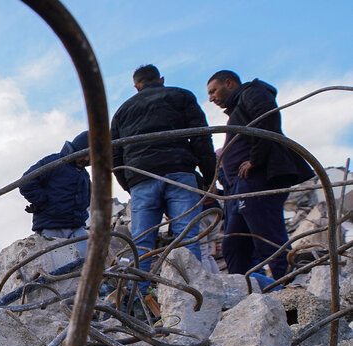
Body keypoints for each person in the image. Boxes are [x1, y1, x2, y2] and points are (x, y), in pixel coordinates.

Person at [111, 64, 216, 294]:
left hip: (141, 180)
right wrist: (209, 179)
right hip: (179, 173)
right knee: (187, 238)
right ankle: (190, 297)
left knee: (141, 244)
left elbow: (114, 156)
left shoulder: (122, 111)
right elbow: (201, 138)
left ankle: (137, 300)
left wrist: (130, 185)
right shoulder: (181, 96)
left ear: (136, 86)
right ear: (161, 79)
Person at [207, 70, 311, 278]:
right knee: (234, 244)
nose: (211, 98)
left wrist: (255, 159)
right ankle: (245, 294)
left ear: (229, 83)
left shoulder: (253, 92)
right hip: (239, 187)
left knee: (267, 237)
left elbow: (267, 117)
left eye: (213, 91)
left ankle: (291, 283)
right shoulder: (238, 108)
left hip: (257, 180)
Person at [19, 131, 91, 256]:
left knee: (88, 260)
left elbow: (87, 198)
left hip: (76, 227)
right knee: (57, 265)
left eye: (91, 156)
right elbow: (26, 182)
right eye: (85, 154)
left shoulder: (84, 175)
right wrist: (43, 201)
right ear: (77, 149)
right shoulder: (54, 162)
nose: (86, 159)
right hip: (51, 227)